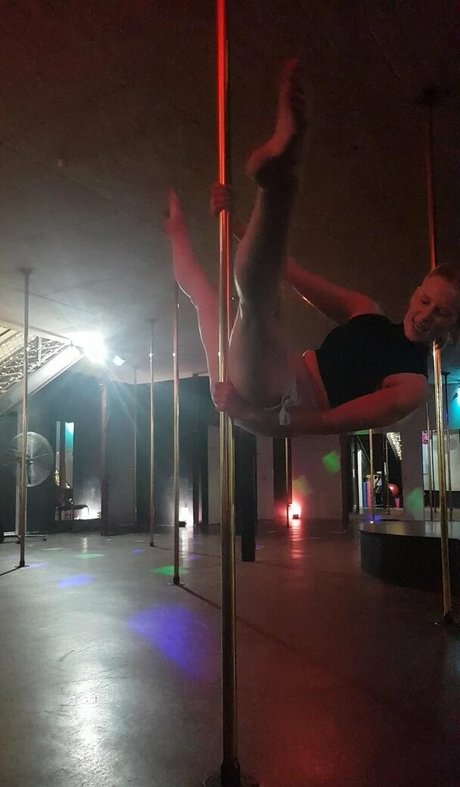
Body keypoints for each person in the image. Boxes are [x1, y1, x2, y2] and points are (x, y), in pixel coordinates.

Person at [164, 60, 460, 438]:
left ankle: (281, 183)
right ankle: (176, 227)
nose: (426, 314)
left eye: (440, 312)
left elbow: (326, 423)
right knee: (207, 299)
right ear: (415, 293)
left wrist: (249, 416)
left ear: (452, 324)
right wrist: (234, 223)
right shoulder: (366, 309)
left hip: (280, 404)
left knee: (259, 305)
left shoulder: (413, 386)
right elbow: (290, 271)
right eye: (426, 300)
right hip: (275, 367)